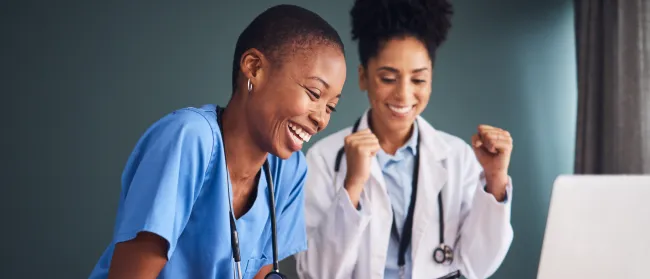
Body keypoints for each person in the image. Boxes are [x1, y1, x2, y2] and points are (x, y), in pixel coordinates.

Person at [88, 4, 346, 279]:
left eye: (331, 107)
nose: (321, 119)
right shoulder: (189, 139)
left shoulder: (289, 170)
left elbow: (261, 272)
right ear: (254, 68)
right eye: (314, 93)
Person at [294, 0, 514, 279]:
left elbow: (476, 267)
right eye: (388, 78)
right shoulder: (325, 159)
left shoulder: (457, 156)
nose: (403, 94)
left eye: (418, 80)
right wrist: (352, 186)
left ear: (431, 79)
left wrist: (495, 180)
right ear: (363, 77)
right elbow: (316, 274)